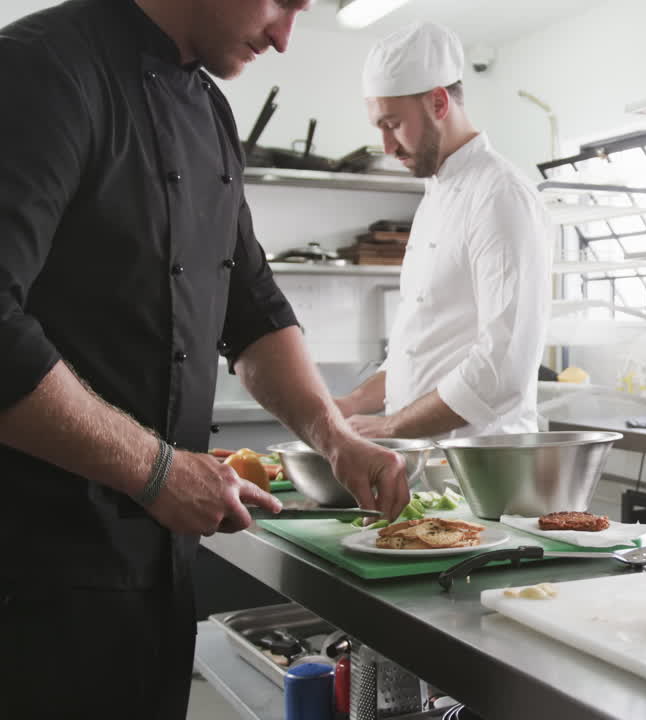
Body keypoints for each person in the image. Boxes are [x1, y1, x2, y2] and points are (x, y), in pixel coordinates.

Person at [0, 0, 410, 716]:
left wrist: (333, 437)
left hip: (155, 575)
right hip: (32, 579)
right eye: (283, 1)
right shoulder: (41, 70)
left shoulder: (212, 111)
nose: (287, 37)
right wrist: (156, 468)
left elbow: (250, 309)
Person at [335, 22, 551, 441]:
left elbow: (504, 364)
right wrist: (347, 405)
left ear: (438, 102)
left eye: (393, 124)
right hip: (425, 461)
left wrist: (390, 427)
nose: (387, 146)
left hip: (479, 468)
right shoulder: (435, 195)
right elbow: (420, 350)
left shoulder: (501, 195)